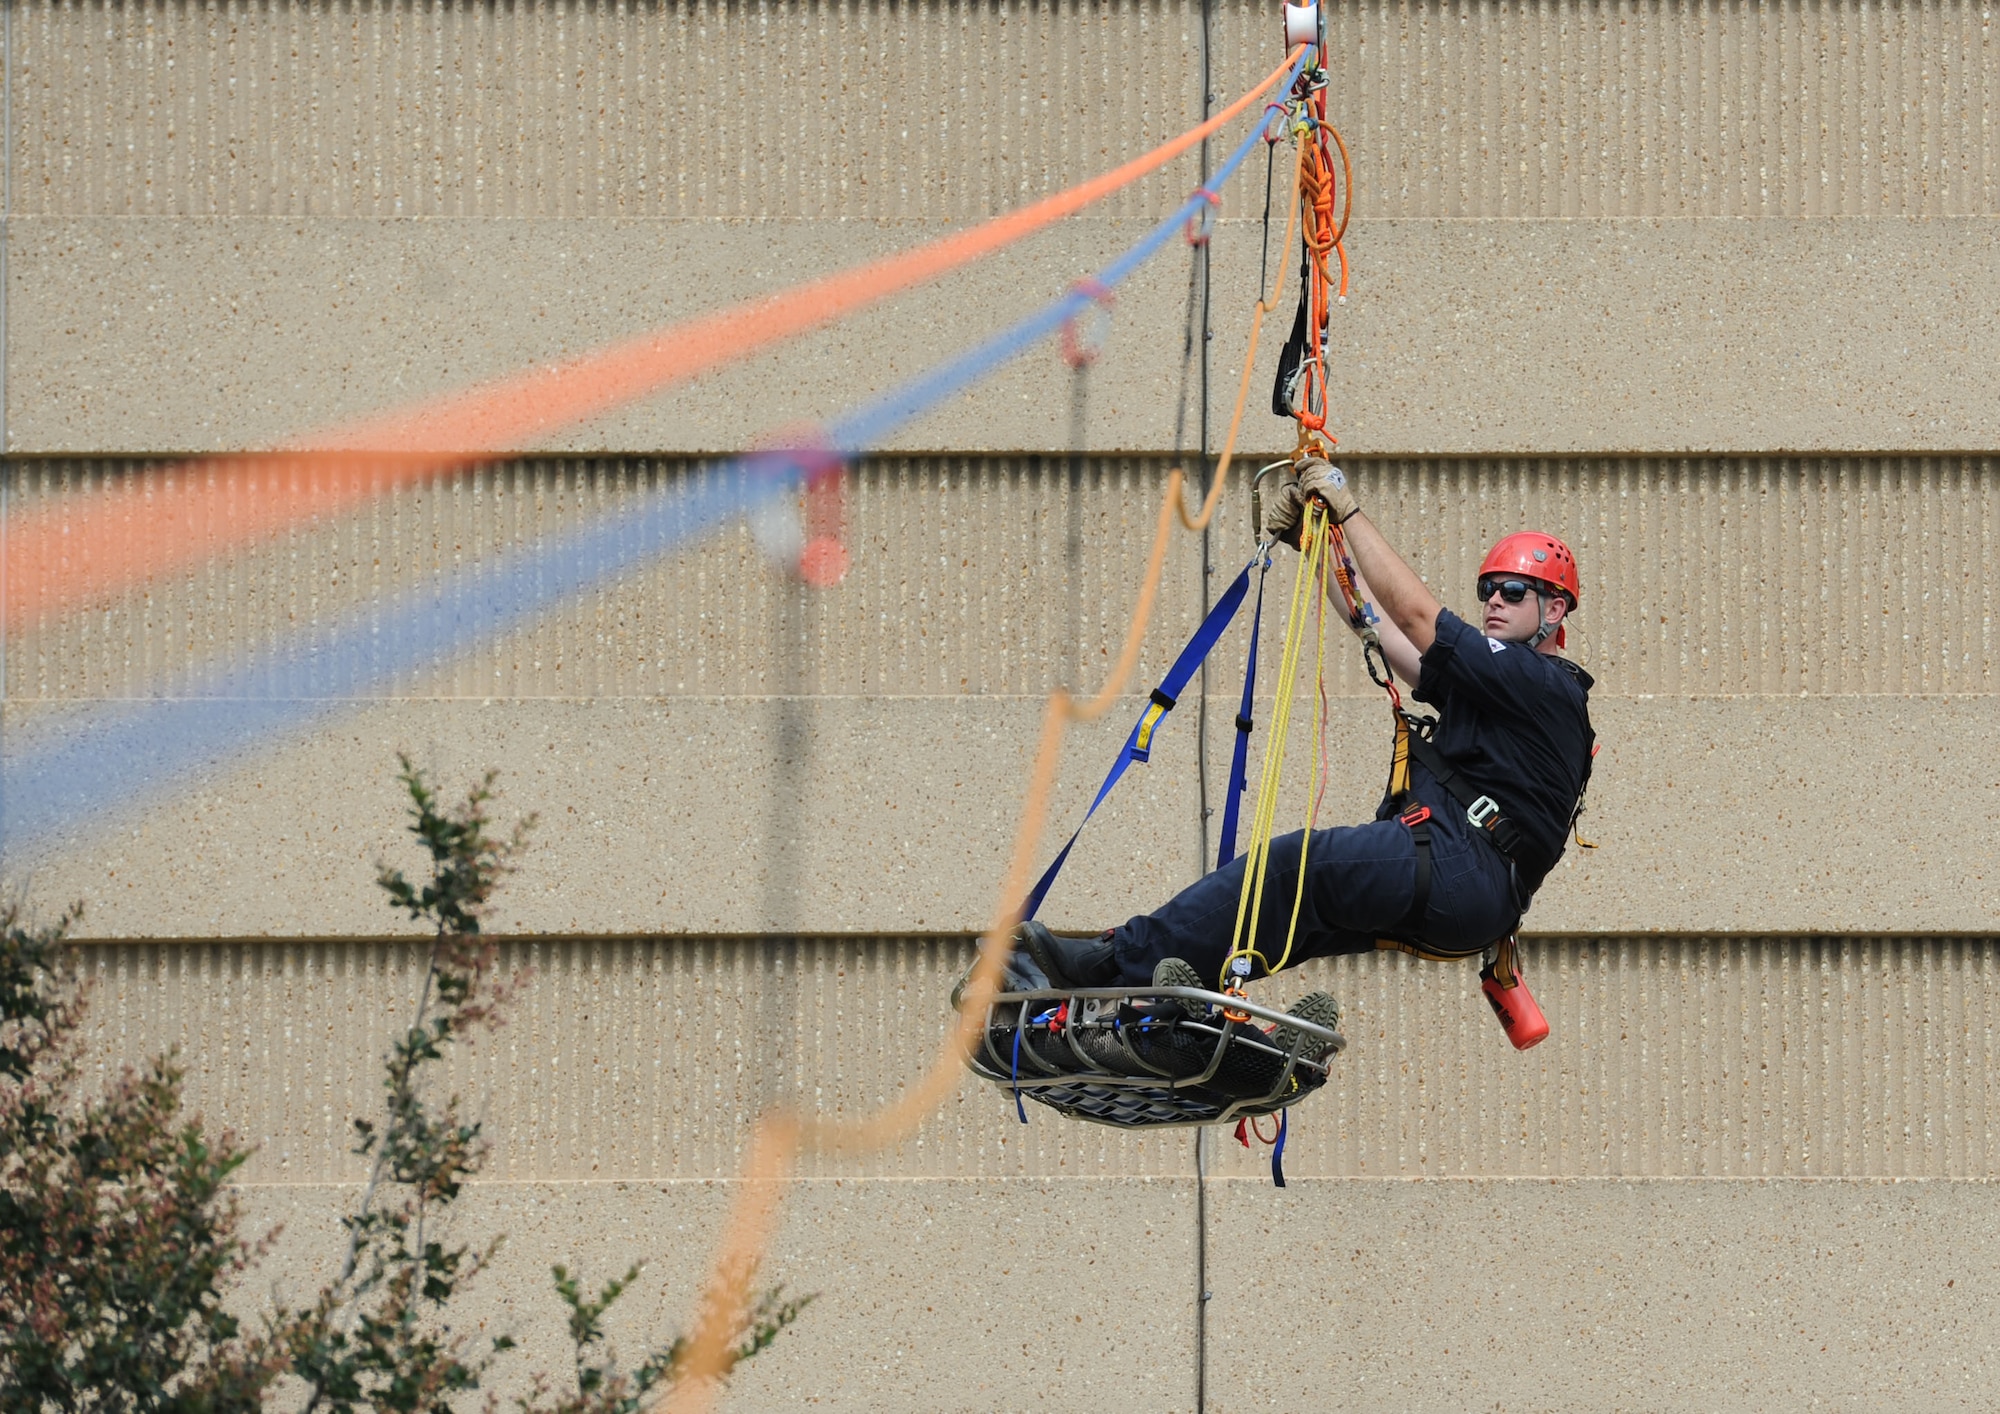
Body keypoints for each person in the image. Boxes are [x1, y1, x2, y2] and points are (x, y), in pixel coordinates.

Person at [1010, 457, 1596, 997]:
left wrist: (1349, 511)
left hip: (1462, 867)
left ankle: (1111, 961)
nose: (1495, 600)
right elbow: (1382, 628)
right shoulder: (1503, 689)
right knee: (1295, 917)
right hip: (1464, 885)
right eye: (1487, 590)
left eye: (1514, 591)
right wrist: (1315, 546)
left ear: (1554, 610)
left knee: (1292, 866)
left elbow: (1419, 617)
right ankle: (1164, 1002)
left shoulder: (1545, 684)